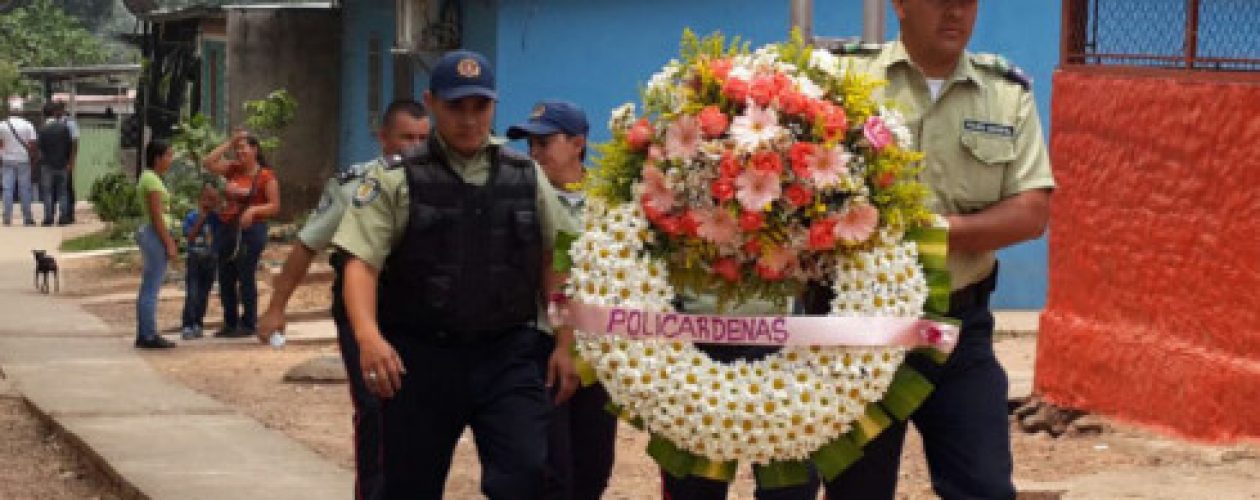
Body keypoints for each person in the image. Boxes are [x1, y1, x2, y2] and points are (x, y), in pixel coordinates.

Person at [813, 0, 1055, 498]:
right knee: (856, 491)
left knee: (985, 486)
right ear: (900, 5)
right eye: (939, 0)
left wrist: (932, 231)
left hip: (958, 332)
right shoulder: (843, 82)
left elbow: (1032, 212)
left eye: (966, 2)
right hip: (861, 337)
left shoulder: (1006, 95)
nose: (954, 13)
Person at [333, 50, 580, 499]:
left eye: (480, 107)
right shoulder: (395, 179)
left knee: (524, 475)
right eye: (456, 107)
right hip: (422, 359)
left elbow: (557, 258)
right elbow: (360, 264)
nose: (469, 120)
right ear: (431, 103)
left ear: (494, 106)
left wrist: (565, 342)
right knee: (409, 486)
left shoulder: (526, 176)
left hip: (509, 354)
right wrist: (369, 338)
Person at [257, 98, 431, 500]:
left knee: (419, 408)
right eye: (406, 137)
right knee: (374, 407)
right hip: (363, 308)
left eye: (423, 138)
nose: (414, 147)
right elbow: (306, 245)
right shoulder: (357, 186)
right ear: (383, 137)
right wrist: (276, 307)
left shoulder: (442, 181)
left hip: (421, 309)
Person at [506, 99, 616, 500]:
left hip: (601, 348)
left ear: (577, 143)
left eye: (544, 142)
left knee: (595, 467)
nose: (534, 153)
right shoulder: (519, 196)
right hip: (539, 342)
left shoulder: (613, 201)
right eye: (529, 144)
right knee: (551, 469)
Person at [202, 130, 281, 338]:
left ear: (254, 150)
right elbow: (208, 162)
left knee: (246, 274)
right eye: (237, 149)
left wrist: (254, 210)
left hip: (252, 230)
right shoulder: (233, 170)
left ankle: (248, 322)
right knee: (226, 275)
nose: (239, 152)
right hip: (228, 227)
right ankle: (230, 322)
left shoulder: (266, 176)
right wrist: (229, 143)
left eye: (243, 147)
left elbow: (274, 206)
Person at [135, 140, 179, 349]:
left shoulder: (150, 178)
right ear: (157, 158)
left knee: (149, 285)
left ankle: (145, 331)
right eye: (168, 155)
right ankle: (149, 334)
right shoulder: (152, 181)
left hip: (151, 233)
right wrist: (168, 242)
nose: (171, 160)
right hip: (155, 234)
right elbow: (156, 215)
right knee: (152, 286)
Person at [180, 184, 222, 340]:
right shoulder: (192, 217)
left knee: (204, 294)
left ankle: (198, 322)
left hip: (210, 260)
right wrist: (201, 219)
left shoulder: (217, 219)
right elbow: (189, 237)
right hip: (194, 259)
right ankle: (187, 324)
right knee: (192, 293)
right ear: (199, 200)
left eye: (212, 199)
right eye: (206, 198)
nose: (208, 203)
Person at [37, 102, 77, 226]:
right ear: (54, 114)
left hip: (47, 165)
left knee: (48, 192)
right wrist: (69, 162)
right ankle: (63, 217)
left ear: (44, 115)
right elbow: (70, 146)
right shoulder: (64, 128)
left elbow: (40, 147)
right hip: (62, 164)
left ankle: (48, 218)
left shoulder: (42, 129)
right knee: (63, 191)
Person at [1, 111, 39, 226]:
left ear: (10, 112)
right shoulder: (28, 125)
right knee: (24, 189)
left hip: (7, 160)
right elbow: (33, 144)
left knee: (7, 189)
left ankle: (7, 217)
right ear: (21, 113)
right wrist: (34, 159)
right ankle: (27, 218)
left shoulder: (2, 125)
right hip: (23, 160)